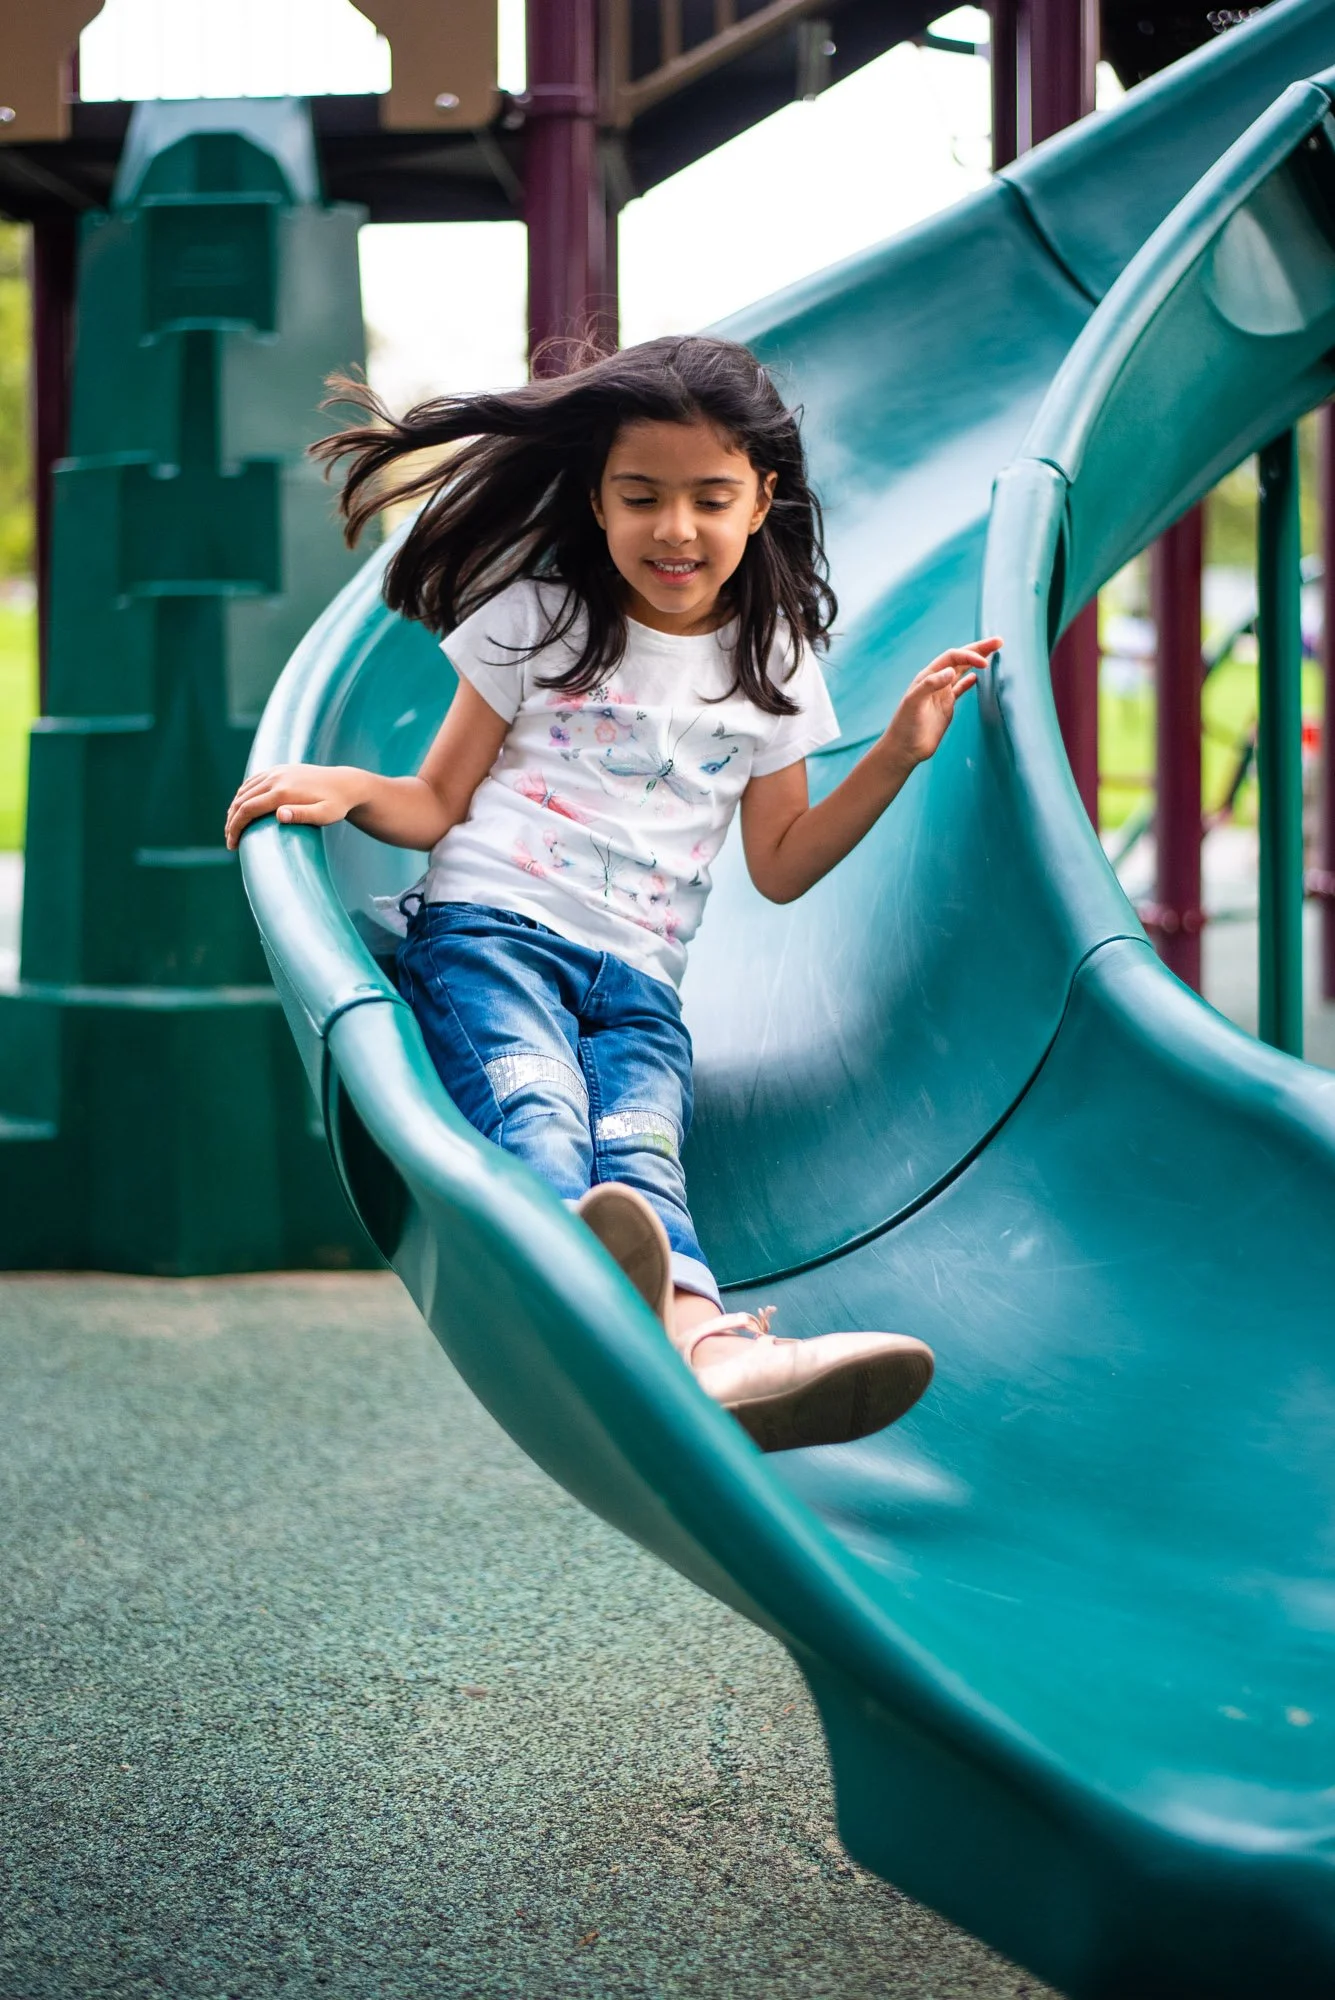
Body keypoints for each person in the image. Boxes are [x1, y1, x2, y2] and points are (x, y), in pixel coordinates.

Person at [225, 335, 998, 1453]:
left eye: (709, 498)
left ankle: (711, 1348)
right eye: (641, 496)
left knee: (641, 1154)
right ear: (596, 496)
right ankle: (585, 1279)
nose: (674, 529)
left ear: (761, 499)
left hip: (639, 983)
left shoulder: (772, 661)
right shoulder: (538, 618)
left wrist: (898, 753)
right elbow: (438, 800)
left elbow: (782, 863)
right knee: (539, 1106)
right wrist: (348, 791)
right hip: (492, 937)